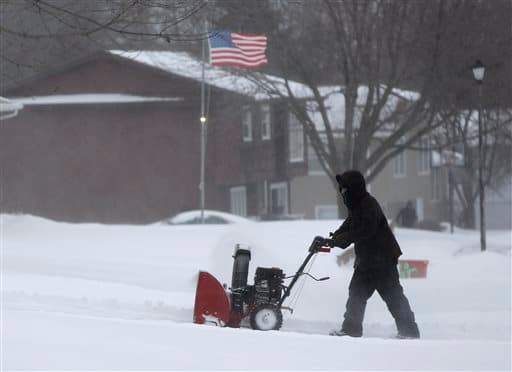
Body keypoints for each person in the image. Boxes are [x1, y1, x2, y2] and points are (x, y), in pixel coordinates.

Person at [326, 170, 420, 339]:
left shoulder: (369, 205)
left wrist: (341, 240)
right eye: (342, 190)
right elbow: (349, 225)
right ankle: (351, 329)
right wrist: (333, 238)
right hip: (368, 261)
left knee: (393, 296)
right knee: (356, 293)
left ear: (354, 188)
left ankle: (409, 332)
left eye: (345, 189)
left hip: (382, 260)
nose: (343, 193)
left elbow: (364, 230)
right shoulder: (357, 206)